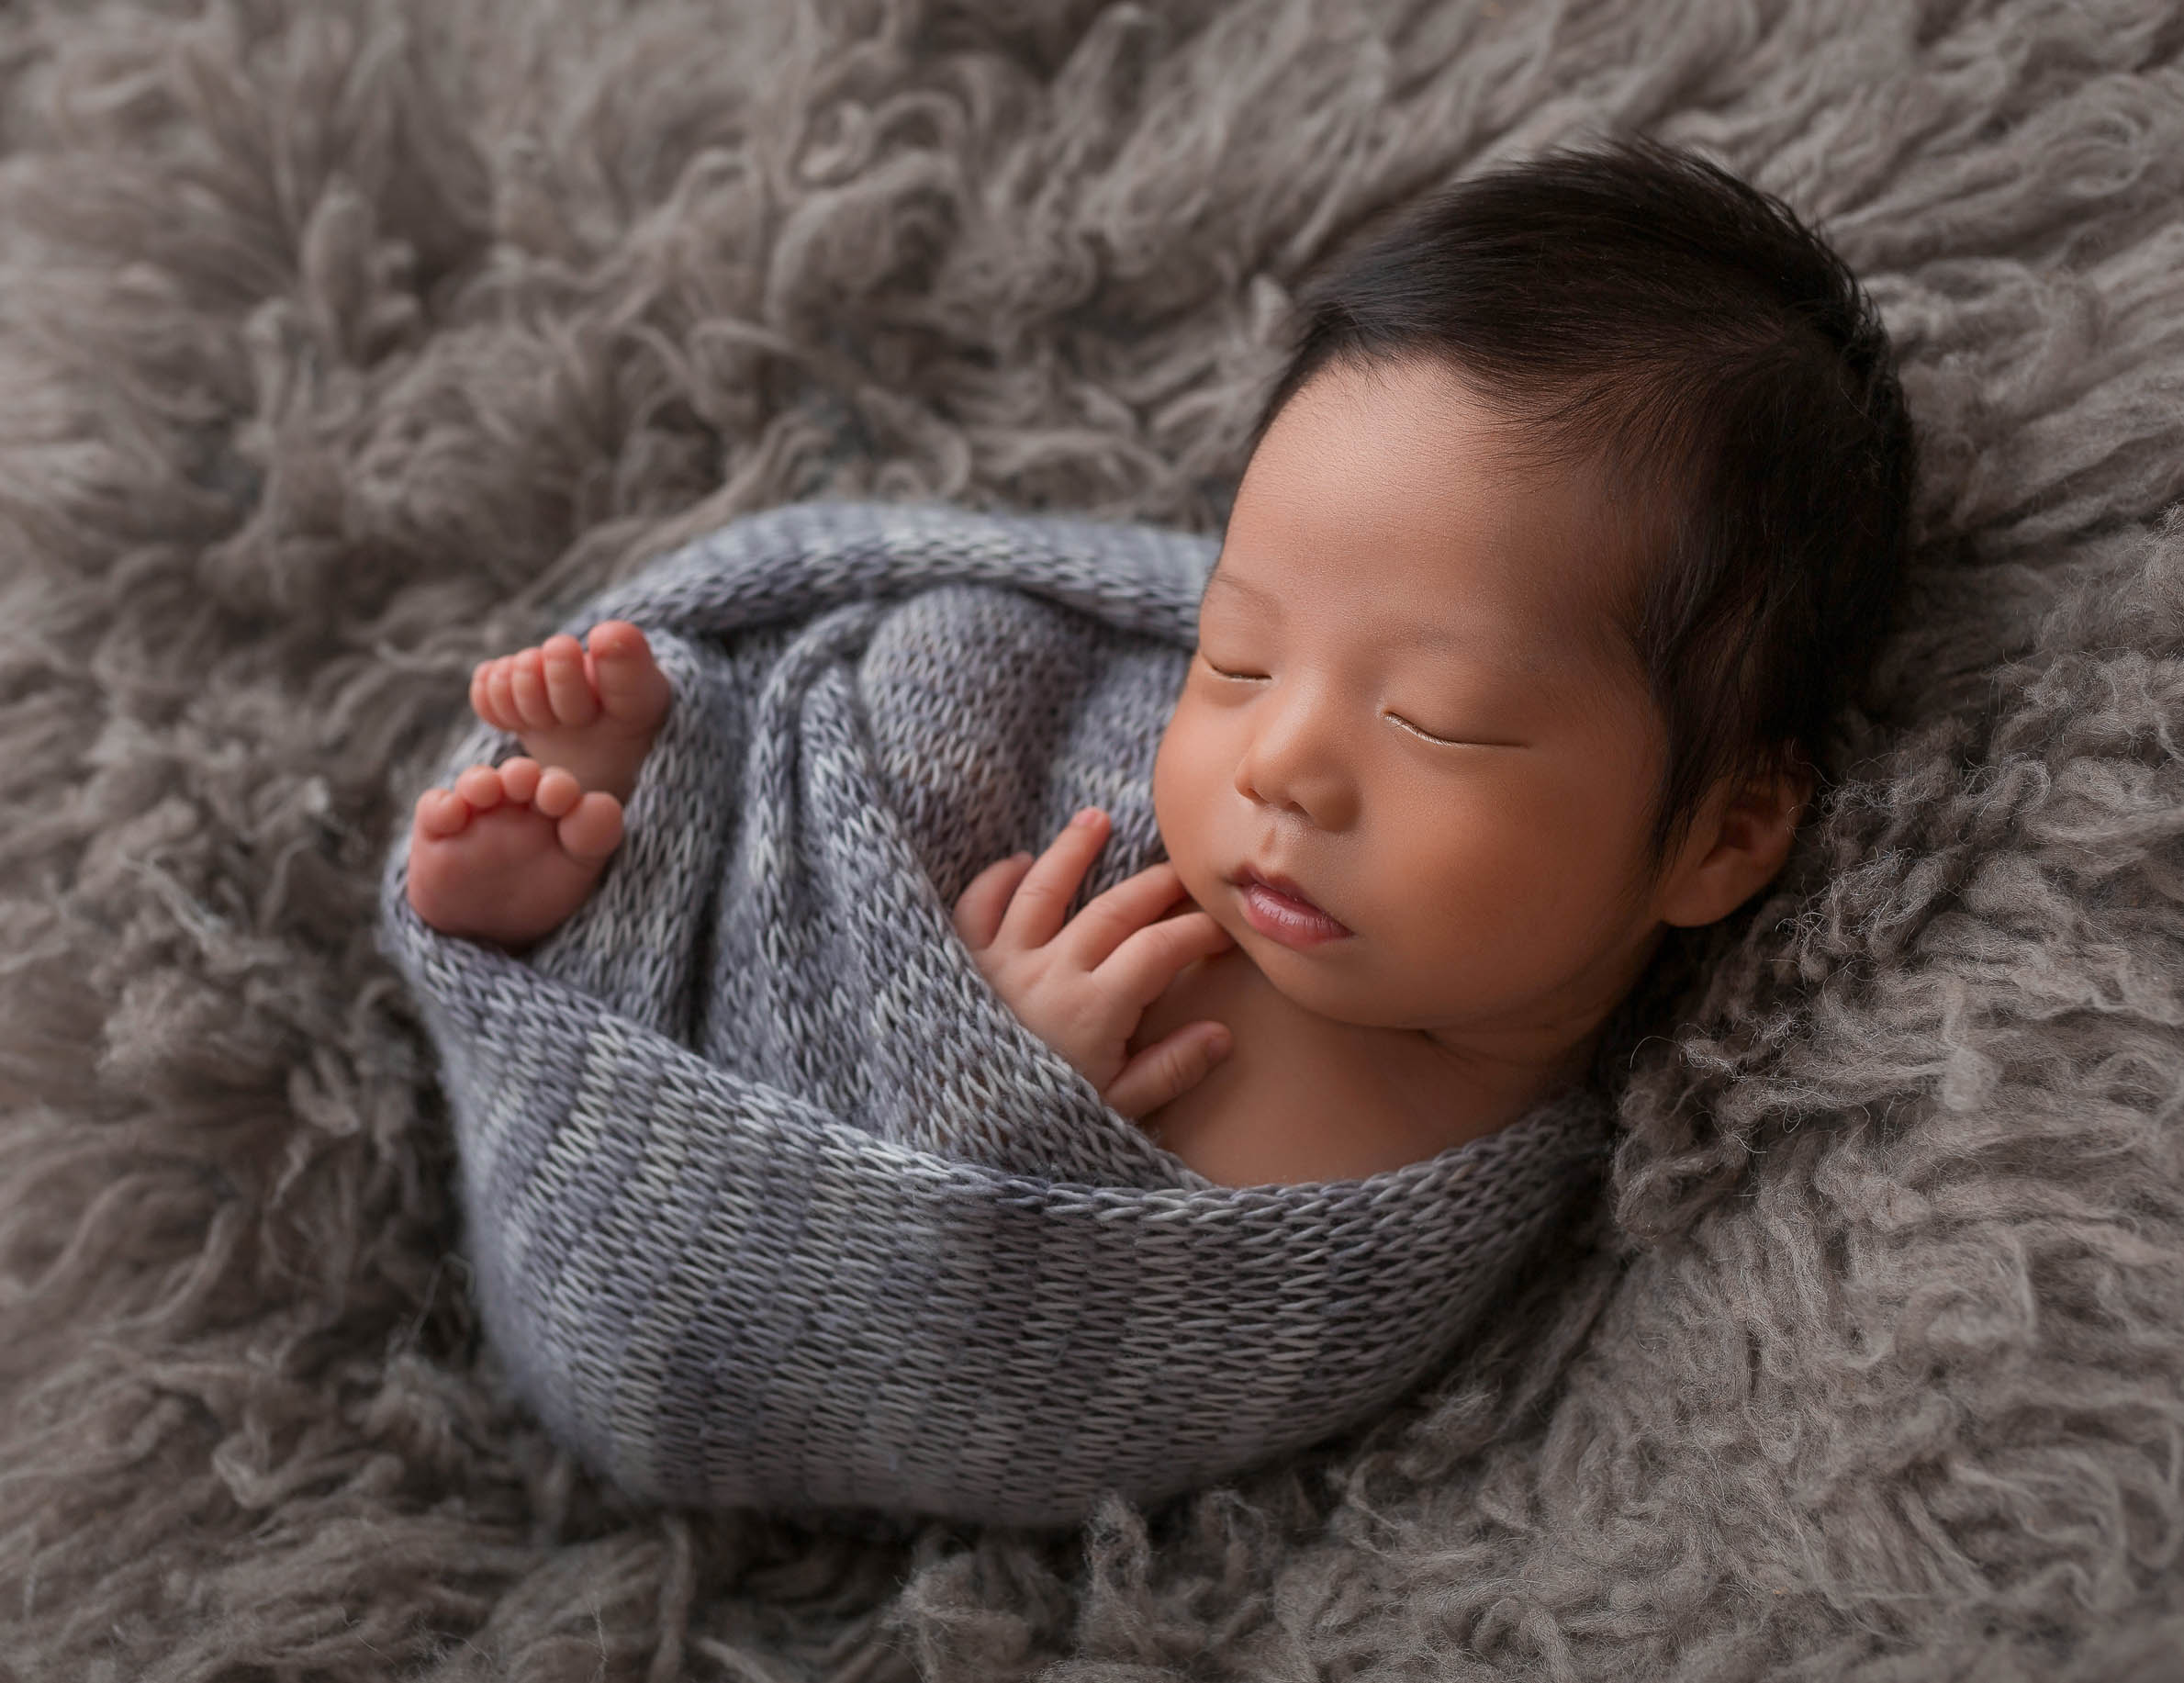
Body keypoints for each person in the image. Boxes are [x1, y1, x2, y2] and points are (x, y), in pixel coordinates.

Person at [401, 139, 1914, 1187]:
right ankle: (646, 831)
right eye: (1237, 658)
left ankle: (590, 937)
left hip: (775, 1124)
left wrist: (999, 1085)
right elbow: (1028, 637)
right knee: (757, 717)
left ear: (1720, 834)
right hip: (841, 833)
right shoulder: (1240, 785)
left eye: (1436, 722)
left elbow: (965, 1320)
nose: (1278, 763)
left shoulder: (1389, 1193)